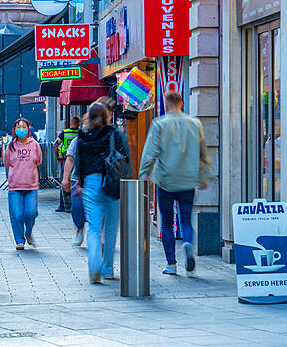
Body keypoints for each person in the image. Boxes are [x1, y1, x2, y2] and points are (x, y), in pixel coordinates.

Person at [139, 91, 215, 275]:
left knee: (166, 223)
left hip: (165, 180)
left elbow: (150, 151)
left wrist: (144, 173)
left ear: (166, 104)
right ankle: (188, 243)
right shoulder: (194, 123)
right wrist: (204, 177)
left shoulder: (159, 124)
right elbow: (202, 152)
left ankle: (171, 264)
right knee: (186, 220)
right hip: (188, 180)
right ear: (181, 103)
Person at [76, 102, 130, 283]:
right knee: (111, 228)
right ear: (107, 116)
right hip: (112, 182)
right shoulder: (115, 134)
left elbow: (79, 161)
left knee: (93, 226)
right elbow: (125, 160)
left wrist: (79, 183)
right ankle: (107, 269)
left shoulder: (82, 136)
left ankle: (94, 265)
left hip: (90, 184)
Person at [3, 117, 42, 250]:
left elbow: (38, 161)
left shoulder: (34, 144)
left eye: (23, 127)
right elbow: (7, 163)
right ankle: (20, 240)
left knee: (31, 212)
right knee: (17, 214)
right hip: (15, 185)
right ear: (14, 130)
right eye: (18, 127)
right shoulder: (11, 146)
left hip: (31, 185)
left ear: (28, 129)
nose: (21, 129)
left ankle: (28, 232)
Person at [60, 129, 86, 247]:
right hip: (78, 179)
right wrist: (65, 178)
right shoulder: (77, 141)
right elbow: (70, 159)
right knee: (77, 207)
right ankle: (79, 229)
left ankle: (99, 233)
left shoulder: (105, 139)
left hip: (97, 180)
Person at [54, 117, 81, 212]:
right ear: (79, 124)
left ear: (70, 123)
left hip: (66, 159)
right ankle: (74, 204)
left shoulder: (65, 132)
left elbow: (55, 144)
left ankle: (64, 205)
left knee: (65, 181)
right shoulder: (81, 133)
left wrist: (57, 156)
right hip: (78, 160)